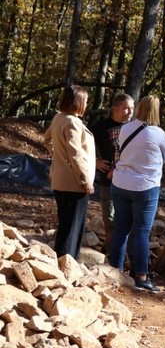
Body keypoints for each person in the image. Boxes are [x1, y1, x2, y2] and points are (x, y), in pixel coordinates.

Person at [108, 96, 165, 292]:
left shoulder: (125, 128)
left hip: (120, 183)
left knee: (121, 229)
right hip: (145, 187)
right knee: (142, 232)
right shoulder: (158, 133)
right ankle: (141, 276)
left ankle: (115, 271)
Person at [43, 85, 96, 259]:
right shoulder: (72, 122)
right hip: (74, 183)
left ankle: (62, 261)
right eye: (85, 101)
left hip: (60, 180)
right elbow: (76, 153)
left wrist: (57, 155)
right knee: (72, 227)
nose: (86, 104)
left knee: (66, 224)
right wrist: (85, 180)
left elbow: (47, 139)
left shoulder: (58, 117)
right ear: (77, 102)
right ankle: (66, 262)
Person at [90, 93, 134, 249]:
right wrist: (94, 161)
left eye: (132, 108)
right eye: (126, 108)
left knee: (126, 218)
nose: (130, 112)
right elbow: (84, 146)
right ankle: (111, 251)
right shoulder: (100, 127)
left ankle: (126, 252)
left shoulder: (134, 128)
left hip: (129, 180)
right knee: (109, 218)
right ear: (115, 108)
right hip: (107, 180)